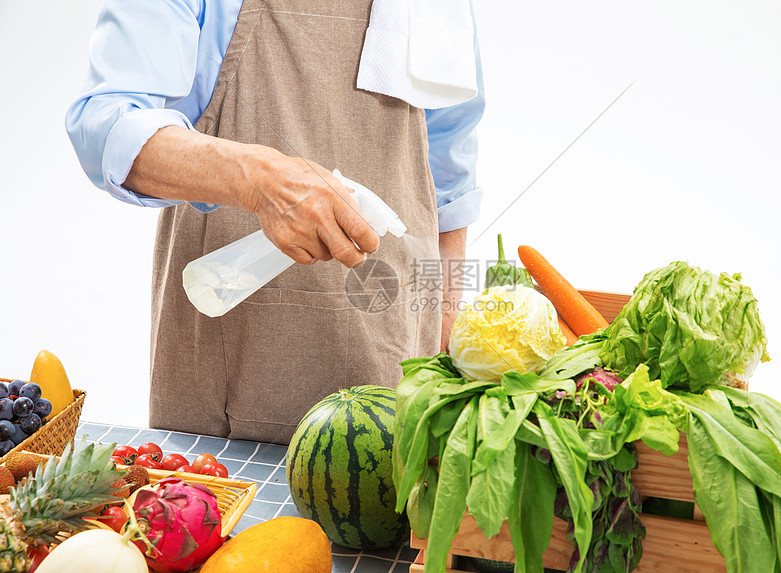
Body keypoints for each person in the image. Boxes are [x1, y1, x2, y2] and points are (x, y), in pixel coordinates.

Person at [66, 0, 485, 445]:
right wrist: (257, 178)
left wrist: (446, 316)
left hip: (394, 324)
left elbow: (450, 176)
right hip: (234, 331)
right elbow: (105, 125)